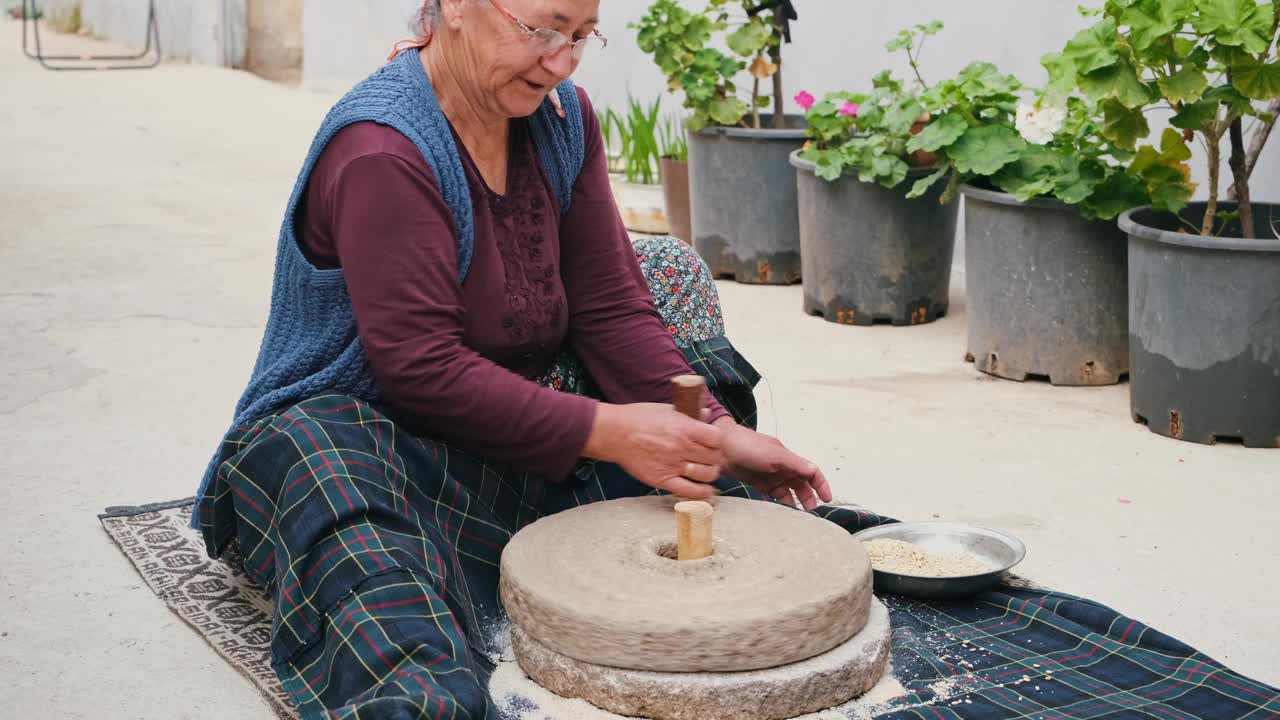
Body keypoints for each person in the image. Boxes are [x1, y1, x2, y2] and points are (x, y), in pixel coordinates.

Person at [193, 0, 881, 717]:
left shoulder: (560, 117)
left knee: (670, 282)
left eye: (582, 37)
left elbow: (610, 306)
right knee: (325, 466)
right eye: (542, 30)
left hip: (503, 425)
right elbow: (421, 369)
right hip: (381, 443)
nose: (561, 61)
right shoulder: (382, 149)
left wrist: (716, 431)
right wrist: (612, 432)